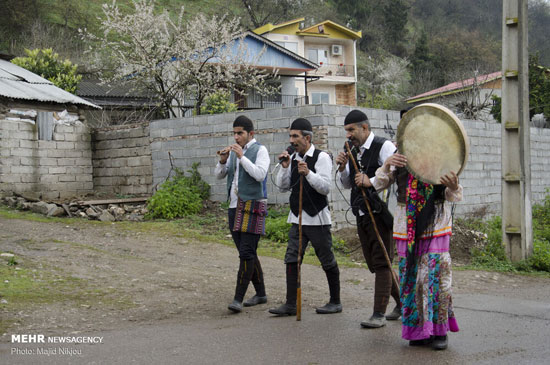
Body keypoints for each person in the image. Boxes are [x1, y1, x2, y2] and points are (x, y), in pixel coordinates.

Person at [375, 153, 462, 350]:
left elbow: (452, 193)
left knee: (436, 276)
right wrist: (387, 165)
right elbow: (378, 184)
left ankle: (440, 330)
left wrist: (454, 186)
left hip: (436, 221)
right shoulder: (399, 155)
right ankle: (417, 330)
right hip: (406, 222)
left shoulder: (442, 150)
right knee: (411, 277)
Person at [268, 118, 342, 316]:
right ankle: (291, 304)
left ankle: (335, 301)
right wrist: (285, 167)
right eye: (290, 136)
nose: (292, 140)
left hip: (317, 218)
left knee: (326, 259)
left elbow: (326, 188)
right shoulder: (292, 158)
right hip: (297, 218)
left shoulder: (321, 157)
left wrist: (308, 173)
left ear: (307, 138)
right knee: (292, 259)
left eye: (295, 136)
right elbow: (283, 187)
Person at [334, 109, 401, 328]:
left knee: (383, 263)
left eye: (351, 130)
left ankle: (378, 314)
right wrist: (344, 168)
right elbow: (347, 184)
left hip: (381, 214)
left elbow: (394, 176)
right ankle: (404, 304)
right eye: (346, 131)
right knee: (376, 264)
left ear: (364, 127)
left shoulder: (385, 147)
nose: (348, 135)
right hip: (362, 213)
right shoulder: (351, 149)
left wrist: (370, 180)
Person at [215, 115, 269, 313]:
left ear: (250, 134)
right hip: (234, 205)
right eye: (234, 133)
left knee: (246, 252)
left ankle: (238, 298)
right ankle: (261, 293)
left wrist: (241, 157)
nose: (236, 137)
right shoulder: (232, 153)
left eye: (240, 133)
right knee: (247, 252)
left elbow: (259, 174)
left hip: (253, 205)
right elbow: (220, 175)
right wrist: (222, 161)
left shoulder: (260, 150)